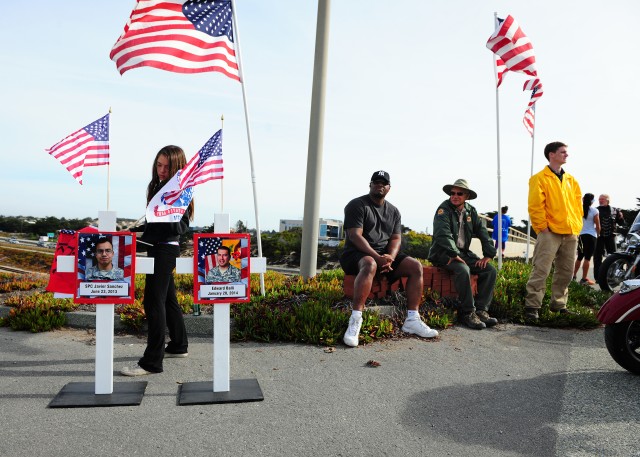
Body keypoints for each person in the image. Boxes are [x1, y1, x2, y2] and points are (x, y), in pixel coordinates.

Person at [340, 170, 438, 347]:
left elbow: (395, 238)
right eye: (376, 182)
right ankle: (355, 320)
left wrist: (390, 258)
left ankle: (412, 320)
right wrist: (377, 258)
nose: (380, 185)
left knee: (415, 266)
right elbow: (355, 236)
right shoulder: (357, 205)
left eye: (383, 183)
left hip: (383, 257)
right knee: (369, 264)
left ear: (389, 188)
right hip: (355, 255)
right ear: (370, 185)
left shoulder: (393, 211)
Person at [121, 145, 193, 376]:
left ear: (177, 167)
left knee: (153, 302)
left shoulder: (180, 190)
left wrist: (162, 214)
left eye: (167, 166)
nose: (161, 170)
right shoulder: (157, 186)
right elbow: (154, 224)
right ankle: (179, 345)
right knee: (168, 300)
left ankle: (151, 362)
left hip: (166, 249)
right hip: (157, 247)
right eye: (158, 165)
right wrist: (132, 231)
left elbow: (177, 226)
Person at [428, 179, 498, 330]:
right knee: (463, 269)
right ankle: (467, 312)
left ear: (466, 196)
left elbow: (483, 232)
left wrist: (489, 254)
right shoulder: (443, 210)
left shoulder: (470, 211)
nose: (455, 196)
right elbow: (443, 234)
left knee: (490, 270)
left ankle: (481, 310)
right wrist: (453, 253)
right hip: (443, 253)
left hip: (463, 253)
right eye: (452, 193)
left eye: (459, 193)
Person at [524, 142, 582, 320]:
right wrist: (543, 228)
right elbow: (535, 205)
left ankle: (559, 305)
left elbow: (578, 205)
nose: (567, 155)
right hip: (550, 232)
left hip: (570, 231)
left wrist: (577, 226)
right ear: (552, 154)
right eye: (563, 152)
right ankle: (532, 307)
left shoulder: (571, 180)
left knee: (565, 271)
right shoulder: (539, 178)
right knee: (541, 269)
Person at [594, 194, 625, 278]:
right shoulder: (595, 210)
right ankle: (597, 277)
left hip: (611, 236)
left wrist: (621, 217)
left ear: (607, 200)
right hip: (599, 236)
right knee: (597, 257)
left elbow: (621, 223)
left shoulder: (615, 210)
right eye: (599, 199)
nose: (600, 201)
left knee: (614, 256)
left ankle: (615, 275)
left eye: (602, 199)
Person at [573, 193, 600, 285]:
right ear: (592, 201)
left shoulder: (578, 209)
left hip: (581, 235)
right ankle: (584, 279)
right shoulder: (594, 210)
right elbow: (597, 225)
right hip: (591, 236)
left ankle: (573, 276)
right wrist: (599, 234)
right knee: (587, 258)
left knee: (579, 257)